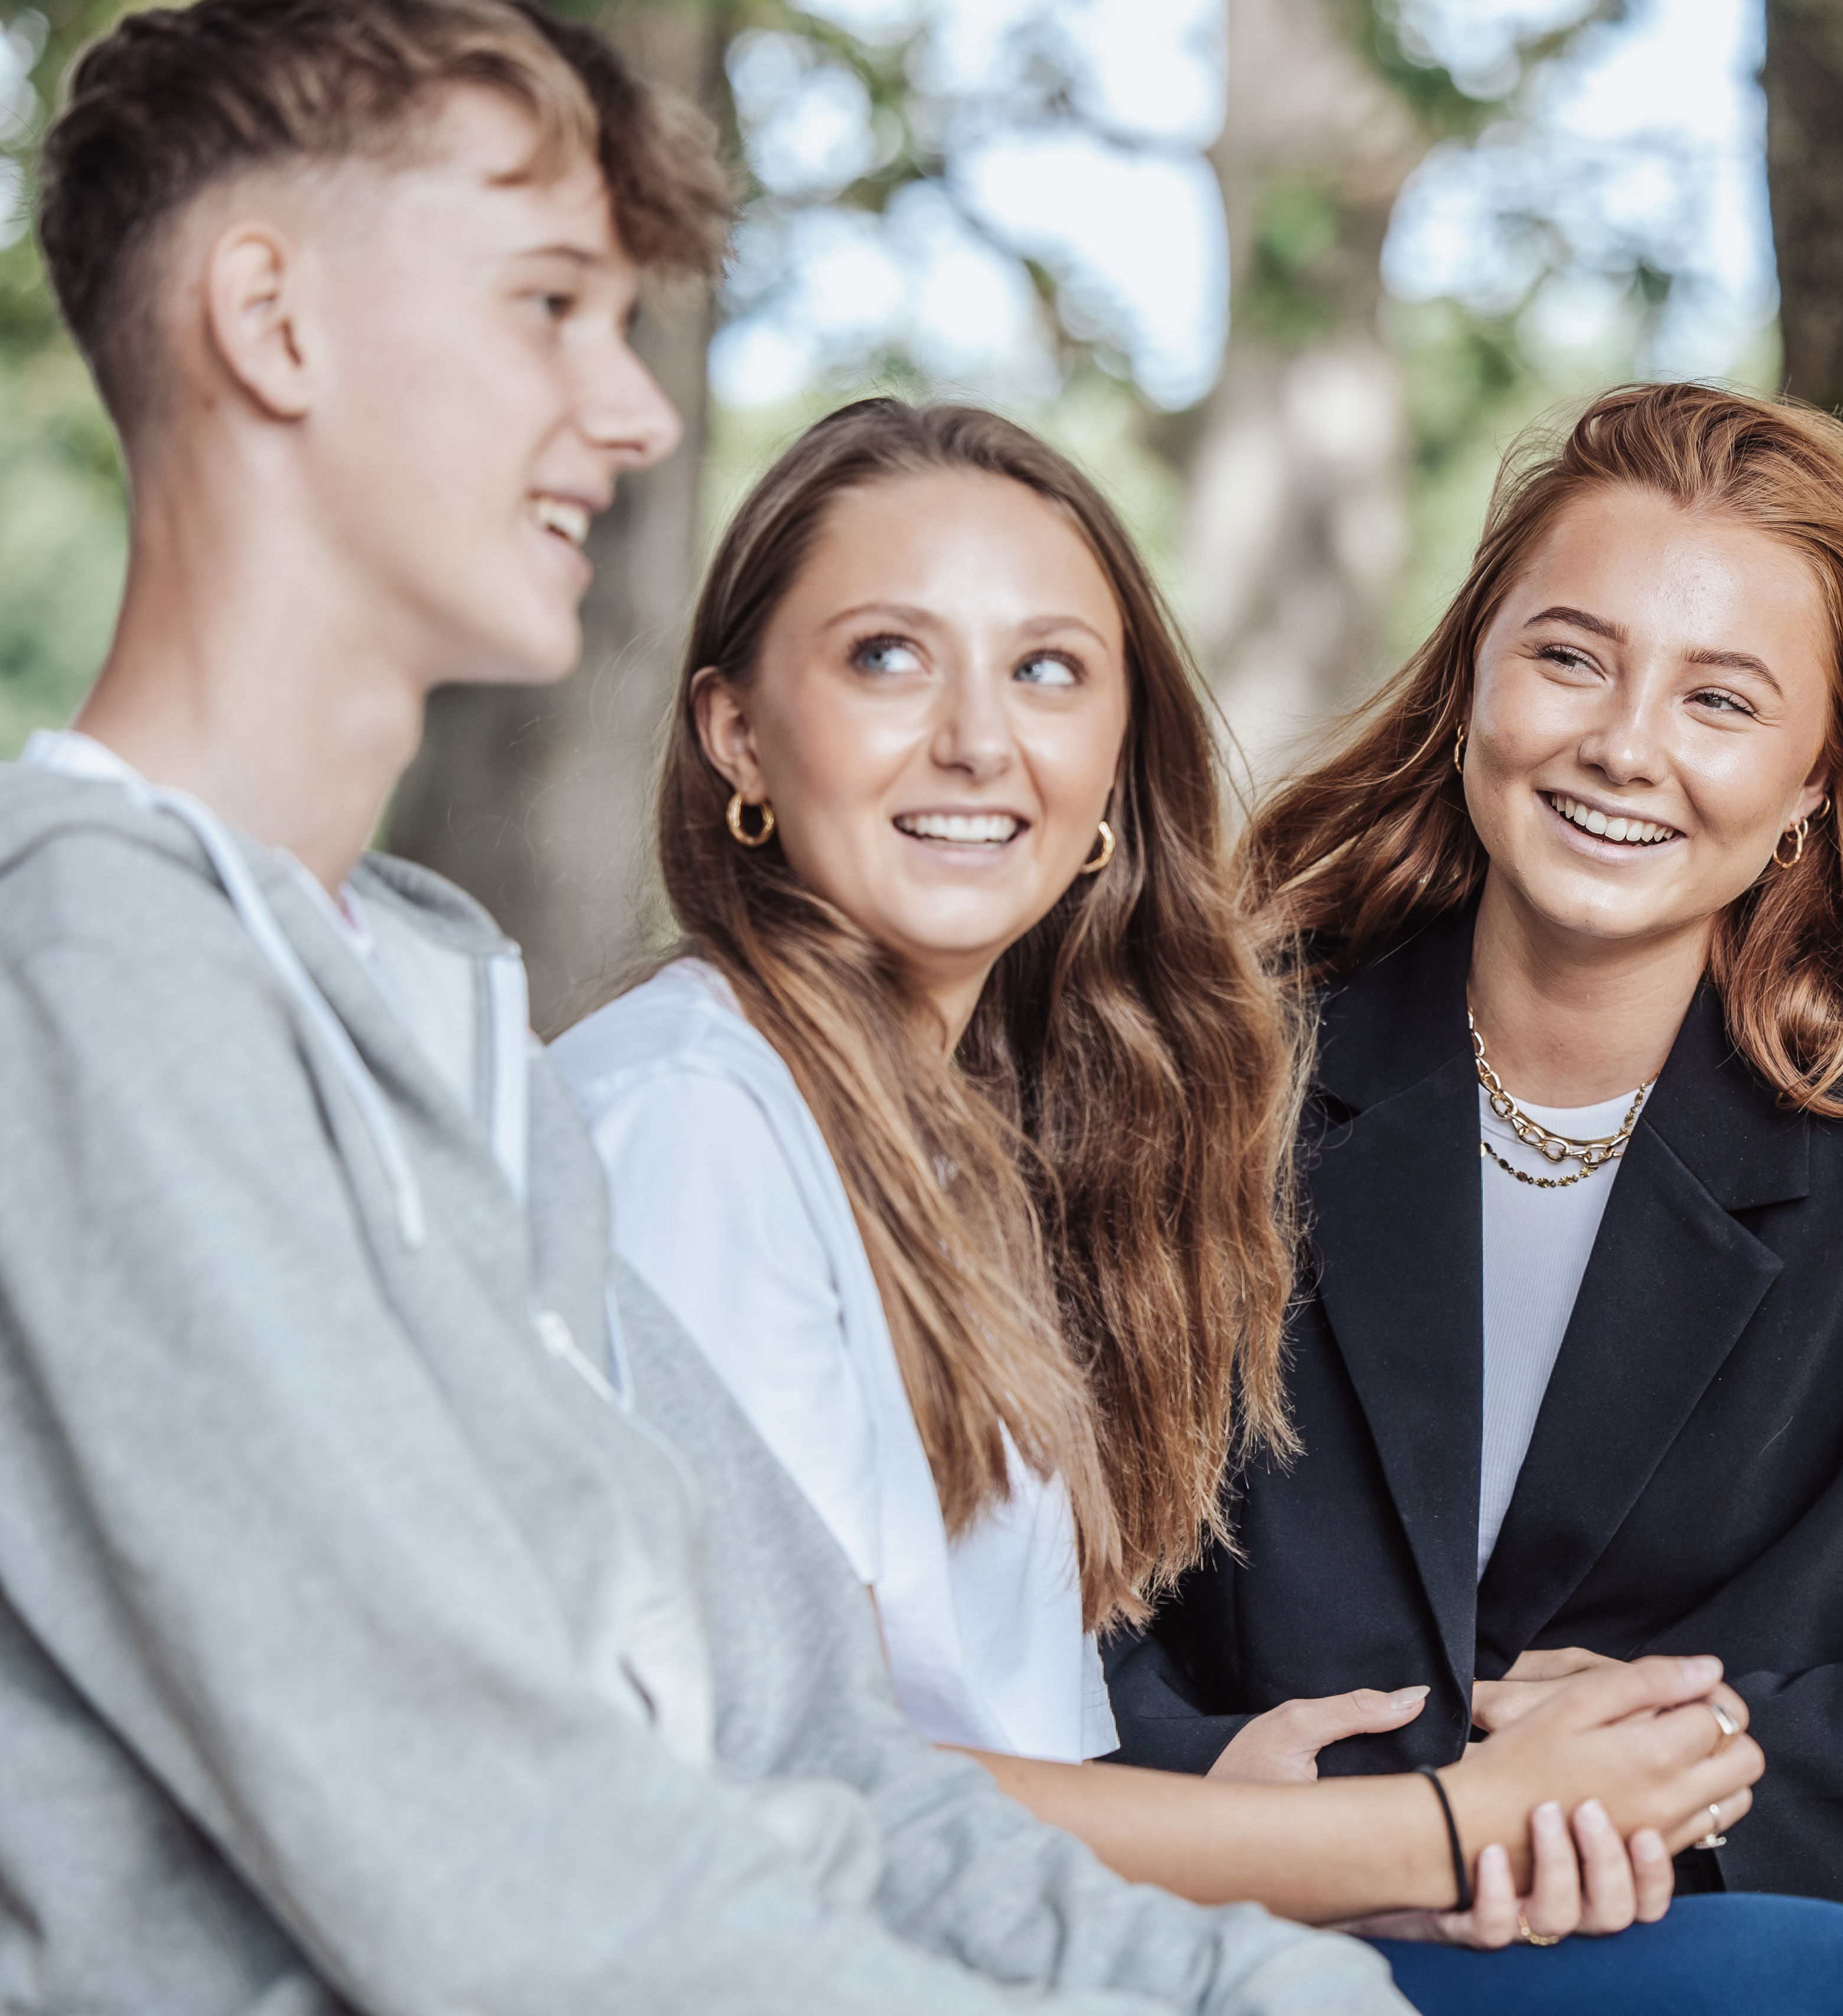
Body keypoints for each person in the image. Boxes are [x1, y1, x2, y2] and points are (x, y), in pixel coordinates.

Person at [0, 5, 1394, 2010]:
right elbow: (508, 1879)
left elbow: (821, 1765)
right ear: (272, 324)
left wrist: (1281, 1994)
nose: (636, 413)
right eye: (548, 306)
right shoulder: (93, 988)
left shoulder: (430, 1008)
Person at [552, 397, 1843, 2015]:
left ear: (1114, 759)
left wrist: (1279, 1832)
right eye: (887, 657)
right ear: (734, 731)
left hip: (1064, 1942)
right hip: (906, 1972)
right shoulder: (691, 1121)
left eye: (1046, 670)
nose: (976, 741)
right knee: (1819, 1988)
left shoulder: (958, 1136)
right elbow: (780, 1781)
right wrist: (1426, 1833)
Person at [1107, 383, 1843, 1991]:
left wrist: (1708, 1764)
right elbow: (1005, 1584)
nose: (1624, 744)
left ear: (1814, 783)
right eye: (1569, 657)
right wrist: (1207, 1789)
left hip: (1677, 1957)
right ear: (1472, 681)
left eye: (1721, 700)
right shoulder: (1201, 1087)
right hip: (1237, 1946)